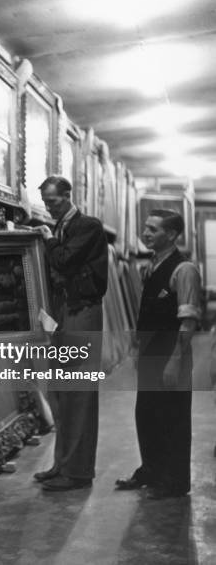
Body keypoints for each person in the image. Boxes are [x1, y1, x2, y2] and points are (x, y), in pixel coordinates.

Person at [115, 209, 201, 499]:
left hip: (171, 356)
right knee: (147, 414)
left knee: (173, 418)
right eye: (145, 227)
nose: (145, 233)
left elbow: (188, 320)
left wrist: (176, 361)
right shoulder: (152, 266)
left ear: (172, 235)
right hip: (152, 355)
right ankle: (150, 470)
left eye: (153, 229)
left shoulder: (184, 269)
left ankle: (173, 482)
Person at [33, 175, 108, 491]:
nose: (49, 208)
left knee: (78, 392)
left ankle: (77, 473)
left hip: (82, 312)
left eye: (54, 202)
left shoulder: (88, 226)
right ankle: (62, 464)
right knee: (60, 391)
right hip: (63, 310)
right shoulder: (63, 228)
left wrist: (47, 239)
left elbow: (64, 260)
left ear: (68, 196)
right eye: (46, 203)